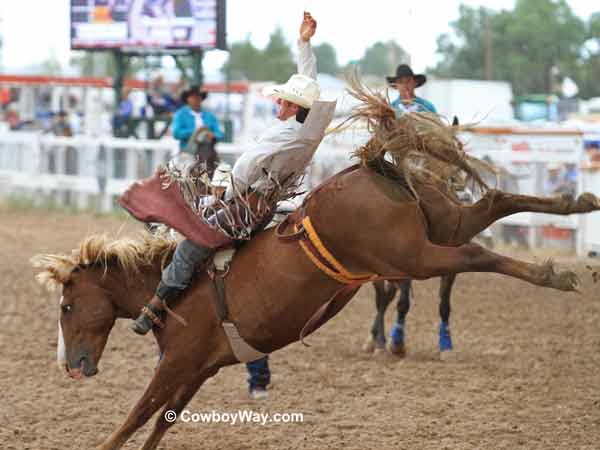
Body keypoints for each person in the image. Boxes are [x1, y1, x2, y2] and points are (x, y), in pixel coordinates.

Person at [128, 11, 326, 400]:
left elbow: (248, 166)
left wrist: (222, 193)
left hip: (246, 204)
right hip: (263, 202)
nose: (278, 102)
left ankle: (157, 304)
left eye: (283, 99)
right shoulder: (306, 127)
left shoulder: (284, 134)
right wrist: (304, 45)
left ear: (290, 106)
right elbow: (311, 84)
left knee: (188, 246)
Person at [172, 86, 224, 179]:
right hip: (188, 151)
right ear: (188, 99)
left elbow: (219, 133)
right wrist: (195, 132)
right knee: (181, 173)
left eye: (198, 97)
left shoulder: (209, 115)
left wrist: (212, 134)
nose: (196, 99)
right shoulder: (181, 114)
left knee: (223, 171)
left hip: (208, 150)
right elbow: (176, 133)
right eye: (193, 97)